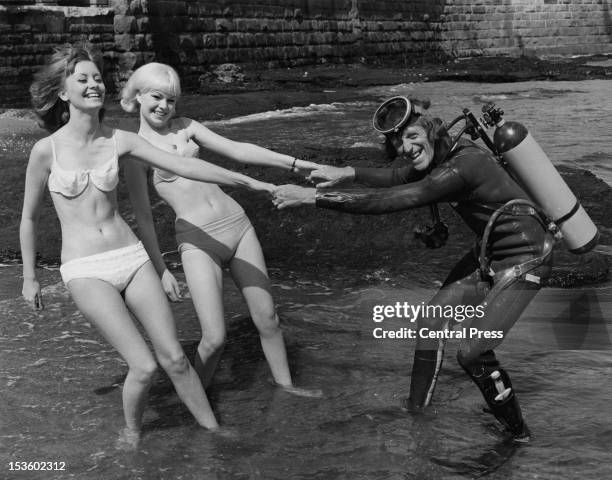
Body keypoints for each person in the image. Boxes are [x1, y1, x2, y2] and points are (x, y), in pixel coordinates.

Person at [20, 44, 278, 448]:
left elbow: (183, 164)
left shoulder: (119, 140)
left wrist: (248, 181)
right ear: (63, 92)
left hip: (132, 257)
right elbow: (29, 218)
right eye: (82, 79)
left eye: (97, 78)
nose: (94, 85)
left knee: (174, 358)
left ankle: (214, 432)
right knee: (142, 366)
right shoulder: (45, 151)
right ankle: (132, 432)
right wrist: (30, 277)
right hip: (85, 269)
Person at [272, 96, 555, 441]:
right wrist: (347, 172)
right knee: (432, 319)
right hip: (490, 251)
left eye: (412, 136)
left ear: (432, 129)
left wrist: (310, 197)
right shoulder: (444, 152)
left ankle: (517, 434)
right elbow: (397, 176)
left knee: (471, 351)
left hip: (527, 255)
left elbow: (396, 198)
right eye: (397, 141)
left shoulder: (462, 166)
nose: (405, 147)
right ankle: (417, 411)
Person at [119, 62, 322, 398]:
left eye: (171, 100)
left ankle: (286, 388)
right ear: (137, 96)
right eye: (157, 97)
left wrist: (295, 164)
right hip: (197, 241)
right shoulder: (134, 151)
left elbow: (237, 150)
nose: (164, 107)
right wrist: (161, 270)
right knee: (214, 338)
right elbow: (143, 217)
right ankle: (194, 402)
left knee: (268, 318)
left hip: (238, 225)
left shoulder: (186, 127)